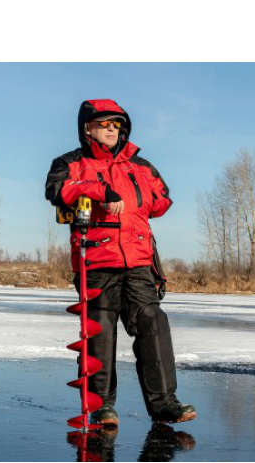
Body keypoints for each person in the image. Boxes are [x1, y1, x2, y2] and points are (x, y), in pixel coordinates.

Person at [45, 99, 196, 426]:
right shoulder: (70, 162)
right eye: (103, 123)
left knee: (153, 321)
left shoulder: (141, 165)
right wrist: (99, 191)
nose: (111, 129)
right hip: (96, 261)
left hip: (139, 261)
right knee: (100, 332)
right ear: (87, 127)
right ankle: (102, 407)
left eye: (116, 124)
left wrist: (142, 200)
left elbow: (162, 200)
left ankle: (165, 404)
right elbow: (56, 189)